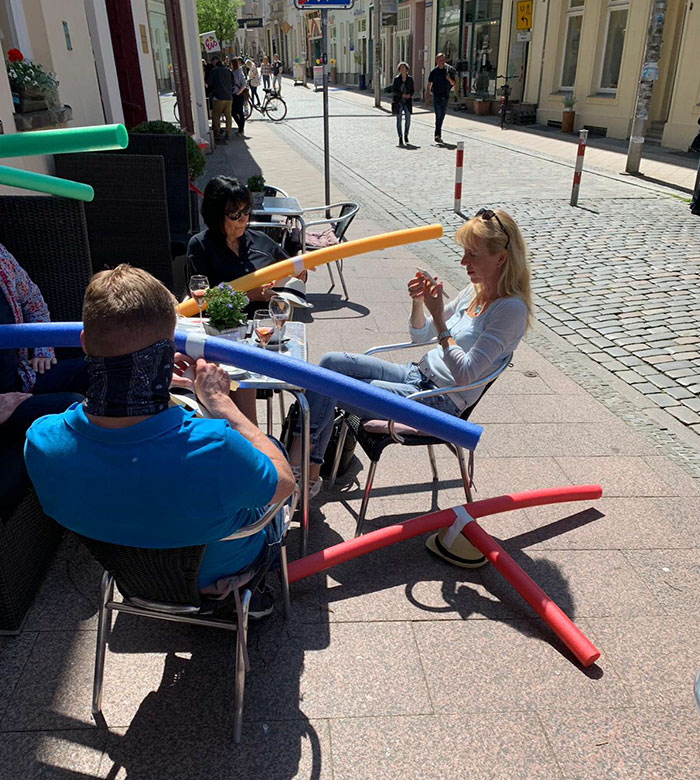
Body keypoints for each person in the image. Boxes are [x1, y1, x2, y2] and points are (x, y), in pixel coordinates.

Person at [24, 264, 295, 613]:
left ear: (83, 342)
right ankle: (242, 591)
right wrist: (220, 403)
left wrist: (150, 385)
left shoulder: (42, 441)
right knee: (275, 451)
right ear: (167, 351)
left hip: (130, 577)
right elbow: (285, 483)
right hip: (224, 568)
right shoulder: (213, 446)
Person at [287, 209, 531, 565]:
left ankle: (304, 475)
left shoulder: (510, 310)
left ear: (501, 257)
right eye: (463, 252)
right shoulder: (473, 292)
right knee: (328, 364)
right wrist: (421, 303)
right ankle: (306, 471)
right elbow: (421, 335)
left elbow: (465, 374)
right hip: (415, 376)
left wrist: (438, 318)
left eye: (473, 254)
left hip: (436, 403)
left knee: (330, 386)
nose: (464, 261)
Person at [0, 243, 88, 514]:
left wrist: (42, 347)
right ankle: (84, 503)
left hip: (22, 377)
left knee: (95, 369)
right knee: (73, 408)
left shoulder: (1, 255)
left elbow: (34, 301)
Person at [426, 52, 455, 144]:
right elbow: (428, 85)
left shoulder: (448, 71)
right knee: (438, 115)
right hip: (436, 96)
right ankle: (437, 135)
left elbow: (453, 83)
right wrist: (427, 98)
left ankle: (438, 134)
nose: (442, 62)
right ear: (436, 61)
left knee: (442, 116)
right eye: (440, 60)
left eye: (443, 60)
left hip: (445, 96)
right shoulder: (434, 72)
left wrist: (448, 78)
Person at [205, 57, 233, 143]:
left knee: (216, 115)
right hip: (229, 97)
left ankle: (216, 133)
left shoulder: (214, 71)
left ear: (215, 63)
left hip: (218, 97)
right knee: (228, 115)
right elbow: (233, 83)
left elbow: (209, 83)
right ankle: (228, 134)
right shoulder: (228, 71)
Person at [392, 62, 414, 147]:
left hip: (407, 102)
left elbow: (412, 89)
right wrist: (401, 95)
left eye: (403, 68)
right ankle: (400, 137)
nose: (402, 69)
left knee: (408, 118)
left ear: (406, 69)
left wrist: (409, 95)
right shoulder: (397, 79)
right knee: (399, 120)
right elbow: (394, 90)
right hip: (399, 102)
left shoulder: (410, 79)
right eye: (400, 68)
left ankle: (406, 134)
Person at [230, 58, 248, 136]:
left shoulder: (239, 72)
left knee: (240, 112)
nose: (229, 65)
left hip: (238, 95)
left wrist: (239, 92)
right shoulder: (232, 72)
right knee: (233, 112)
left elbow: (244, 84)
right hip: (233, 95)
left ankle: (241, 130)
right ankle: (240, 128)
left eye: (230, 64)